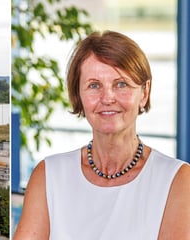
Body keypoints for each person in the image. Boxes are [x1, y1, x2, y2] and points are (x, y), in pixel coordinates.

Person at [13, 30, 190, 239]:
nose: (107, 98)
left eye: (121, 84)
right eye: (94, 85)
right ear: (78, 94)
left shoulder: (177, 180)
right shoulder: (48, 175)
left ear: (144, 92)